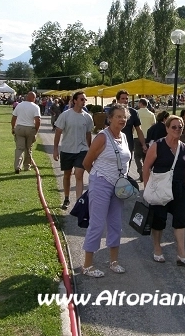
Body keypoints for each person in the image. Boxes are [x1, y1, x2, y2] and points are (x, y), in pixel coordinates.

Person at [80, 104, 131, 278]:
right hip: (101, 183)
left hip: (119, 187)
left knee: (116, 224)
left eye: (124, 117)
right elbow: (87, 162)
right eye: (118, 116)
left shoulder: (123, 136)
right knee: (97, 224)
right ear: (109, 119)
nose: (122, 120)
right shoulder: (102, 137)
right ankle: (87, 265)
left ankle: (113, 262)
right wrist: (98, 178)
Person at [142, 115, 185, 266]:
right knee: (159, 220)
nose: (177, 129)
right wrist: (147, 189)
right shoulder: (157, 145)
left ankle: (181, 254)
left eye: (180, 127)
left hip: (179, 189)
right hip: (160, 188)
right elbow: (146, 167)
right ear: (167, 128)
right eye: (174, 127)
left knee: (180, 221)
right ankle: (157, 248)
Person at [53, 91, 94, 210]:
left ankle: (78, 203)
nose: (84, 101)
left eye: (85, 99)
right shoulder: (65, 115)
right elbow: (58, 132)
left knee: (79, 174)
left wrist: (90, 151)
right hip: (67, 149)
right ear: (75, 101)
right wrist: (55, 149)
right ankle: (66, 198)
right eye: (82, 99)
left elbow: (88, 134)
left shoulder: (87, 117)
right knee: (67, 175)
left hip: (82, 150)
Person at [11, 91, 41, 174]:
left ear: (27, 97)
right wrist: (36, 131)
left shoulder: (19, 105)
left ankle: (17, 166)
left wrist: (13, 128)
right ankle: (27, 166)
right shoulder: (35, 107)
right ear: (34, 98)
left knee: (19, 148)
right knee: (28, 148)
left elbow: (13, 118)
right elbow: (38, 120)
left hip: (20, 128)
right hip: (30, 128)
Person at [116, 90, 147, 164]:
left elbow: (139, 130)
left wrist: (143, 144)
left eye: (126, 98)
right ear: (118, 100)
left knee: (126, 166)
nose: (125, 101)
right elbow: (106, 127)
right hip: (114, 143)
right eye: (123, 98)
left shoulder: (133, 112)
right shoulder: (112, 112)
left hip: (128, 143)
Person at [134, 98, 156, 182]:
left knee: (137, 156)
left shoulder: (136, 113)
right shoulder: (151, 114)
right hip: (148, 137)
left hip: (137, 136)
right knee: (146, 157)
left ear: (140, 104)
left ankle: (140, 171)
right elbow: (153, 126)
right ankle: (146, 172)